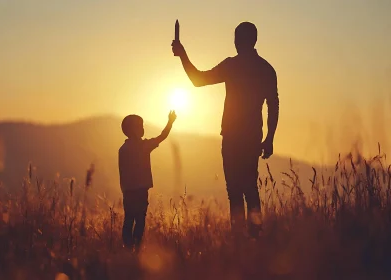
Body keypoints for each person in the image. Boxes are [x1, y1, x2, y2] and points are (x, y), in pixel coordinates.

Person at [172, 22, 279, 238]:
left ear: (239, 40)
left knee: (235, 192)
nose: (235, 42)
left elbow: (198, 80)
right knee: (250, 188)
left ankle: (240, 240)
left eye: (236, 38)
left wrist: (183, 55)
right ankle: (255, 237)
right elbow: (273, 105)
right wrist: (269, 139)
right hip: (252, 136)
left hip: (232, 137)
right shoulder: (266, 68)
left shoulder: (232, 65)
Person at [118, 111, 177, 251]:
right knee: (140, 220)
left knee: (128, 220)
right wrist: (170, 122)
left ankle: (127, 248)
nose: (143, 128)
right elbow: (162, 136)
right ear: (134, 129)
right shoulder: (143, 146)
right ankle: (136, 248)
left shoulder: (123, 149)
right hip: (140, 190)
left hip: (128, 191)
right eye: (140, 126)